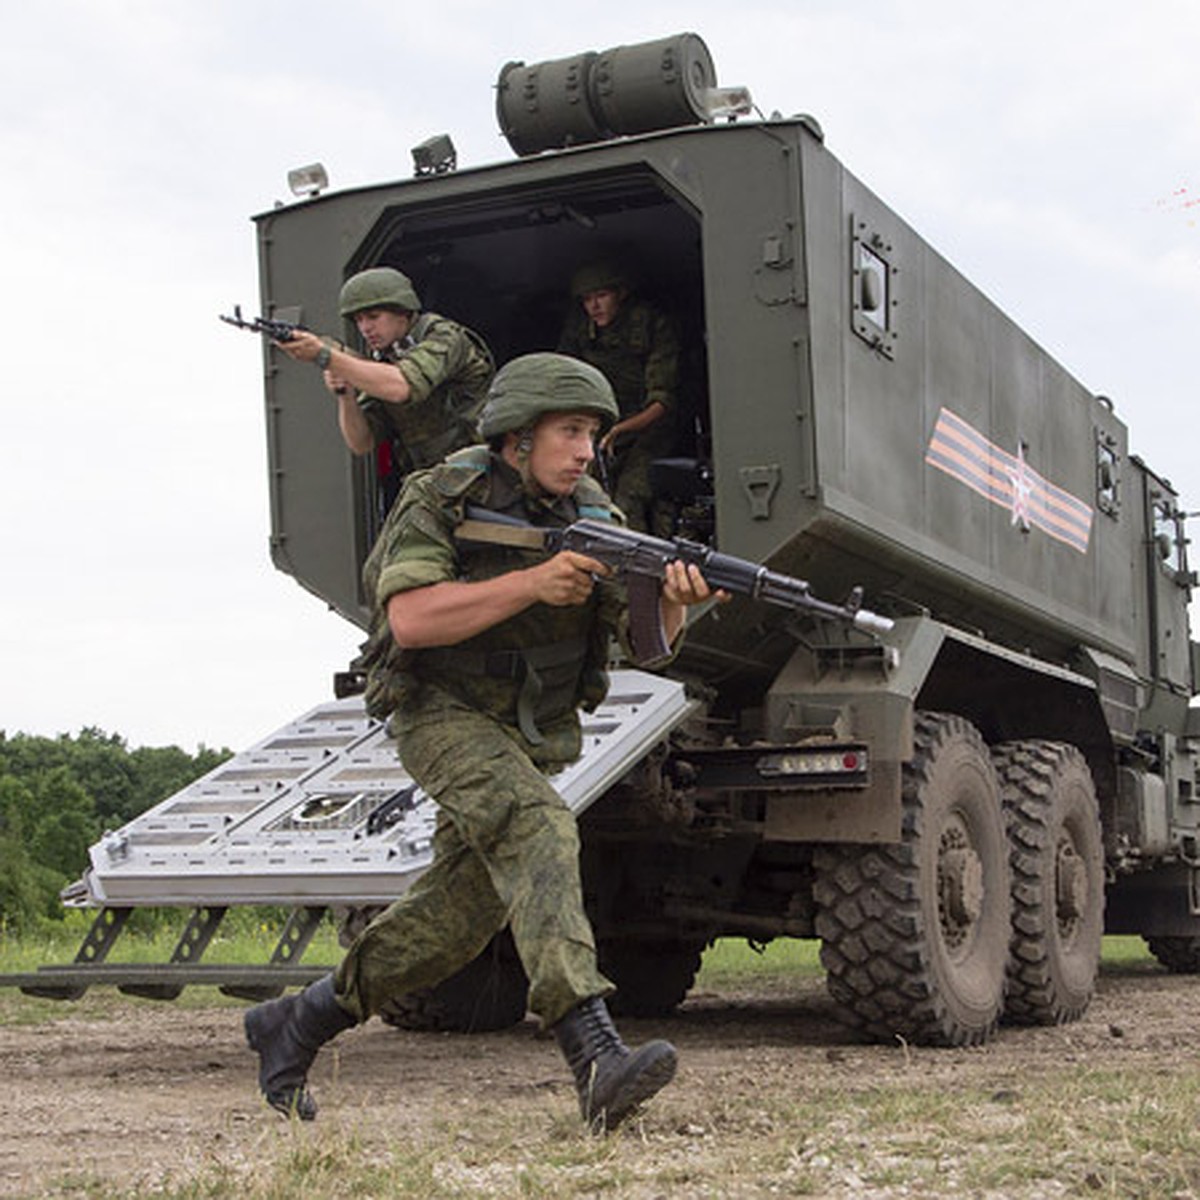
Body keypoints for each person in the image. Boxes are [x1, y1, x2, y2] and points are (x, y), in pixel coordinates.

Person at [244, 352, 718, 1132]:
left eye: (593, 433)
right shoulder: (441, 494)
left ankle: (297, 1021)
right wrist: (531, 583)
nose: (584, 449)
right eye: (569, 431)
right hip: (439, 711)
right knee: (539, 826)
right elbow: (410, 619)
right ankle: (593, 1053)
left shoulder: (596, 513)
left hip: (526, 730)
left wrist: (672, 602)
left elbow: (646, 648)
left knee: (456, 922)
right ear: (515, 436)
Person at [277, 266, 494, 474]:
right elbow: (362, 443)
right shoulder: (384, 362)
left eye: (373, 316)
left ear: (402, 311)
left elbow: (402, 386)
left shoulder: (444, 336)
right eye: (359, 320)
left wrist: (325, 356)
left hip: (482, 472)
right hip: (435, 483)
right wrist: (346, 396)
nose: (365, 328)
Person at [557, 261, 682, 533]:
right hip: (604, 429)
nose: (594, 306)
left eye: (601, 296)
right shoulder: (580, 330)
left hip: (651, 427)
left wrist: (620, 429)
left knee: (630, 498)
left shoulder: (651, 323)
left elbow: (662, 401)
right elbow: (564, 383)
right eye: (587, 299)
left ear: (621, 294)